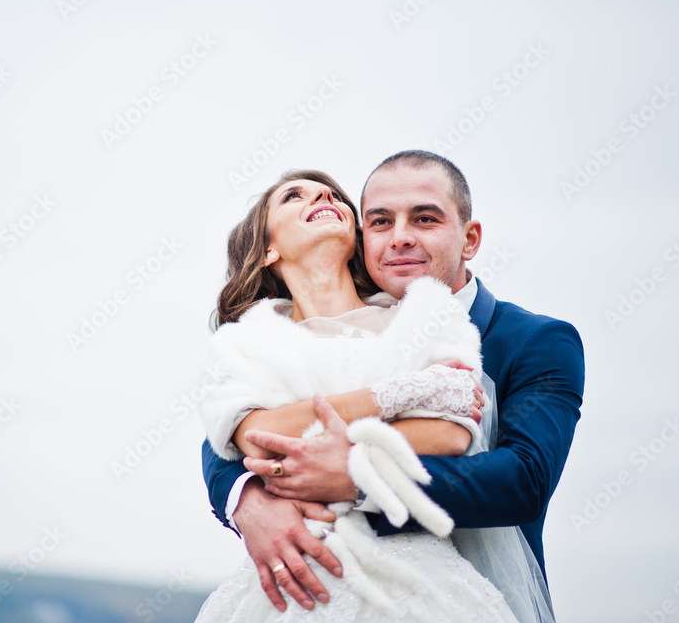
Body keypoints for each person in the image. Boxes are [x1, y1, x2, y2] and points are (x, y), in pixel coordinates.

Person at [201, 151, 584, 621]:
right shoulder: (264, 340)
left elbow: (521, 480)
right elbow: (232, 438)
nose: (400, 238)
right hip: (303, 588)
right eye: (380, 222)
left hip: (445, 589)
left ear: (470, 239)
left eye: (425, 219)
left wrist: (354, 476)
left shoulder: (535, 341)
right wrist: (248, 497)